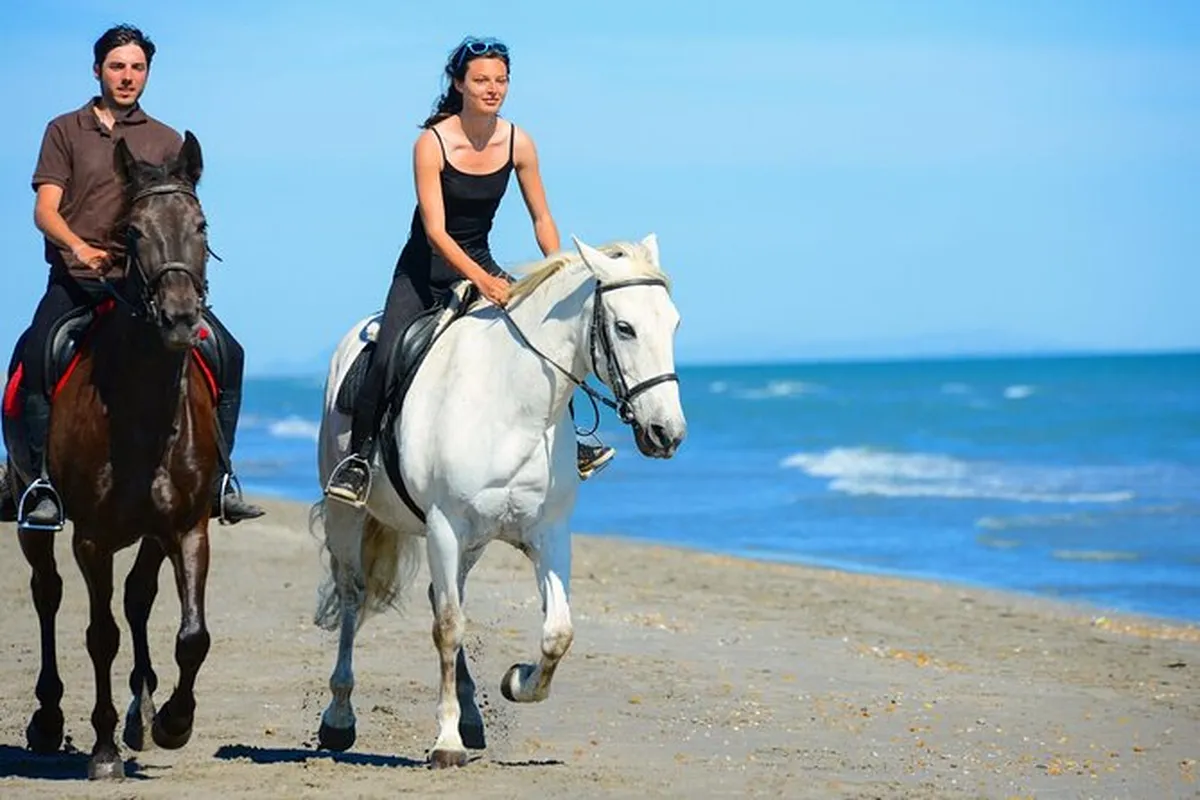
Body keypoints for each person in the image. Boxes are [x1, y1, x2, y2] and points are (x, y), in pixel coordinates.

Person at [324, 35, 615, 507]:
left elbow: (542, 217)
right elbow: (436, 232)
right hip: (423, 270)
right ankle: (358, 460)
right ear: (459, 84)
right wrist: (480, 281)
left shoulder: (519, 142)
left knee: (546, 336)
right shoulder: (432, 143)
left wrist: (557, 270)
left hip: (481, 261)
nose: (493, 88)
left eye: (501, 80)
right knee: (388, 354)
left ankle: (573, 441)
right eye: (481, 80)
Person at [0, 24, 263, 529]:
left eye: (137, 68)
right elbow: (45, 210)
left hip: (146, 288)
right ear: (97, 70)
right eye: (117, 66)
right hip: (77, 281)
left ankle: (218, 481)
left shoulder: (165, 140)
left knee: (229, 354)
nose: (127, 76)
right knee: (34, 357)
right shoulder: (64, 130)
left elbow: (180, 214)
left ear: (147, 73)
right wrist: (81, 248)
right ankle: (36, 484)